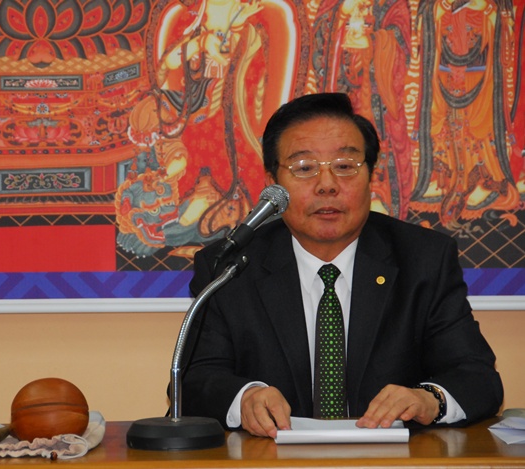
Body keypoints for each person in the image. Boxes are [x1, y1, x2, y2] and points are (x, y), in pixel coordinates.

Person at [181, 92, 503, 438]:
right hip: (272, 459)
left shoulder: (424, 259)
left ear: (371, 177)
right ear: (273, 184)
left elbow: (477, 377)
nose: (327, 185)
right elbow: (193, 382)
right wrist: (244, 399)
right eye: (304, 168)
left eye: (345, 166)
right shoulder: (230, 266)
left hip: (390, 460)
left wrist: (429, 399)